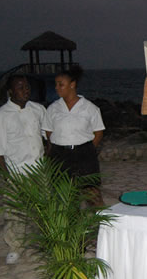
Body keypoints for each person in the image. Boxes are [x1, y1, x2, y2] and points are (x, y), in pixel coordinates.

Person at [0, 75, 47, 264]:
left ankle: (44, 242)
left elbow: (48, 136)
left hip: (39, 170)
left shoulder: (38, 110)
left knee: (42, 210)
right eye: (20, 87)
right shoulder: (0, 116)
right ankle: (15, 247)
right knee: (15, 213)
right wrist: (7, 177)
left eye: (27, 86)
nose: (25, 90)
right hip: (17, 172)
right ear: (11, 91)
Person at [42, 66, 105, 206]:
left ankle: (101, 225)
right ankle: (72, 225)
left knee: (92, 193)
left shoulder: (89, 108)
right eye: (56, 84)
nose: (57, 88)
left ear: (72, 85)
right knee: (66, 195)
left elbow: (98, 132)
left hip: (84, 154)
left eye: (61, 84)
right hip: (60, 155)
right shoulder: (53, 108)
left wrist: (85, 148)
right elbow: (48, 132)